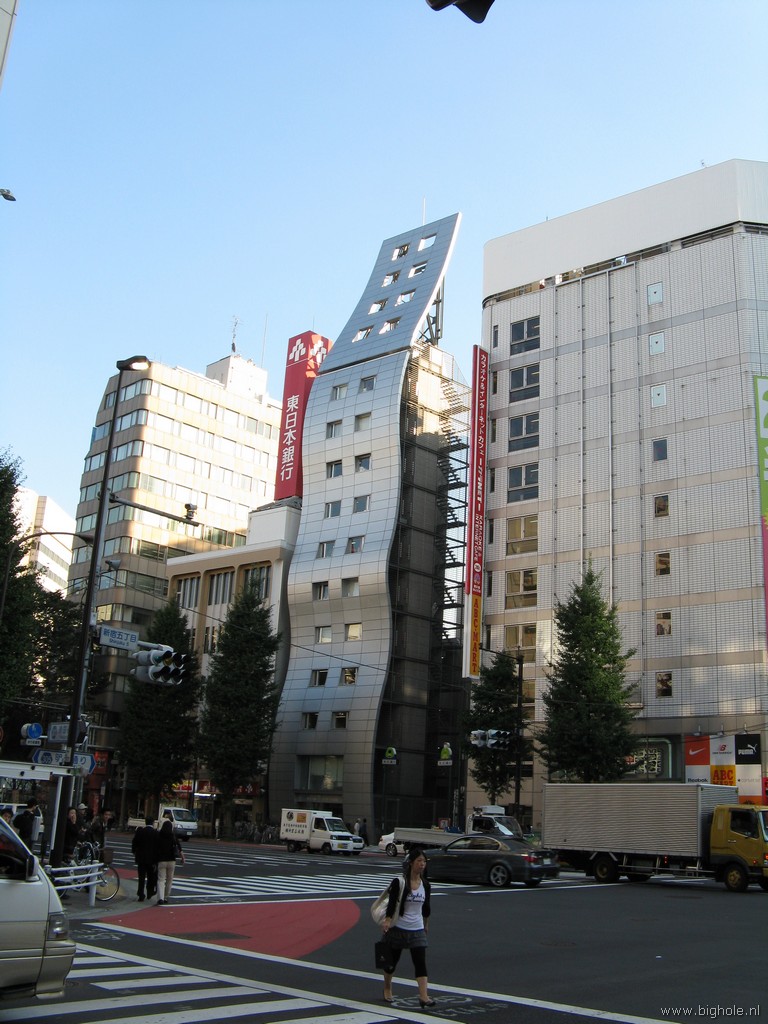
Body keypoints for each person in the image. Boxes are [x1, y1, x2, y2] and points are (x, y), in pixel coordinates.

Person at [379, 847, 435, 1008]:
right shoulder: (400, 882)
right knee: (390, 964)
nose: (422, 864)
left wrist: (426, 924)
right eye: (419, 861)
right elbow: (392, 903)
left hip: (417, 929)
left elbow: (426, 907)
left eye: (424, 861)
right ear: (411, 863)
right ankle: (387, 987)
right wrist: (387, 920)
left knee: (420, 962)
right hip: (398, 928)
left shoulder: (426, 884)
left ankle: (423, 996)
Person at [154, 810, 184, 905]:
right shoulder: (173, 836)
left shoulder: (159, 836)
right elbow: (179, 848)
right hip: (172, 860)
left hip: (161, 860)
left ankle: (160, 898)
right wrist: (183, 858)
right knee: (169, 879)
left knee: (161, 879)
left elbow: (155, 848)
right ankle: (166, 897)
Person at [131, 815, 157, 902]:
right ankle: (150, 891)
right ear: (153, 823)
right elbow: (158, 846)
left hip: (141, 858)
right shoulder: (155, 833)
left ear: (145, 822)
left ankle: (140, 893)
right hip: (152, 858)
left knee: (141, 877)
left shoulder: (140, 832)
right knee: (151, 876)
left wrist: (134, 851)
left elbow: (134, 842)